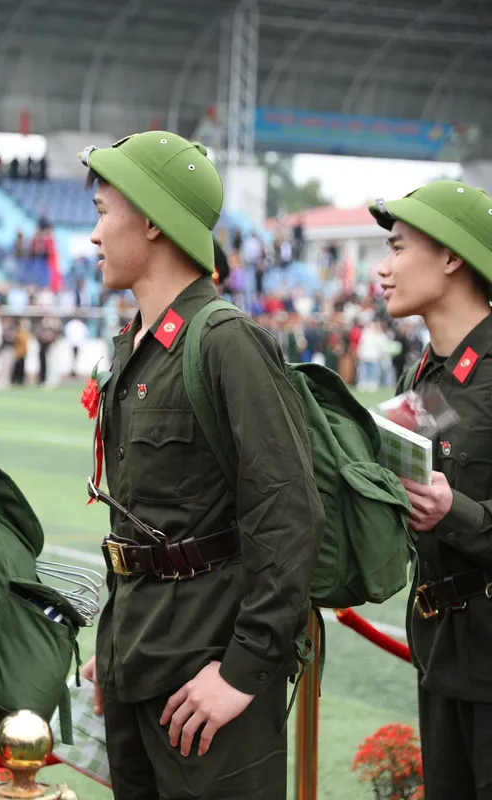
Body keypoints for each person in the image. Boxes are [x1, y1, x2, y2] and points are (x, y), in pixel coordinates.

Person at [76, 131, 323, 799]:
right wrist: (113, 650)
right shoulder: (136, 349)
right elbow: (144, 522)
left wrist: (243, 671)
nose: (93, 236)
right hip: (141, 659)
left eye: (103, 211)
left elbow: (289, 513)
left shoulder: (226, 344)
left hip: (207, 677)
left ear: (153, 218)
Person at [370, 179, 492, 799]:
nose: (382, 269)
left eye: (396, 247)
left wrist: (457, 511)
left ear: (451, 256)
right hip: (441, 651)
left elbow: (456, 502)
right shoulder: (425, 374)